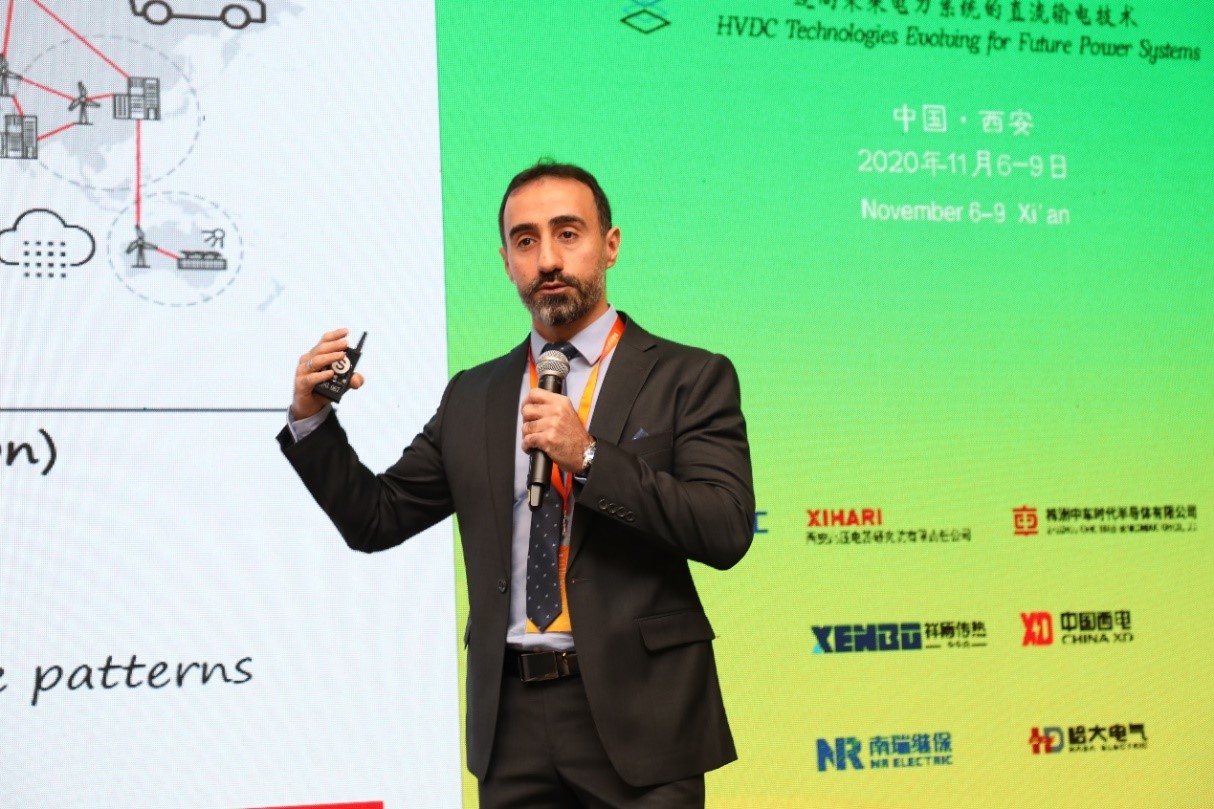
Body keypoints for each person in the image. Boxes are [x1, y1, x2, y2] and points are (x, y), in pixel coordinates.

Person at [279, 162, 754, 808]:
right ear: (506, 262)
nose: (548, 259)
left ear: (610, 245)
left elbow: (724, 527)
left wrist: (589, 456)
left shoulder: (688, 376)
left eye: (568, 233)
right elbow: (376, 517)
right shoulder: (474, 394)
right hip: (511, 726)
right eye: (526, 241)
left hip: (641, 717)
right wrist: (311, 418)